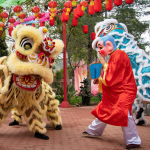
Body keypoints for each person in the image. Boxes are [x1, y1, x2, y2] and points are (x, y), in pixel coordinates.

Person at [83, 35, 141, 149]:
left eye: (100, 47)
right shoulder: (114, 55)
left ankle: (134, 140)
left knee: (123, 112)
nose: (99, 51)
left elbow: (111, 75)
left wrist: (102, 61)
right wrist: (99, 78)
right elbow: (110, 72)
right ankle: (93, 130)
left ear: (109, 45)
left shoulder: (119, 55)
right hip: (116, 90)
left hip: (125, 90)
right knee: (105, 109)